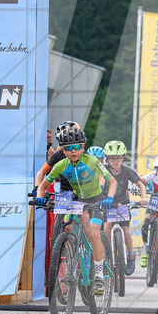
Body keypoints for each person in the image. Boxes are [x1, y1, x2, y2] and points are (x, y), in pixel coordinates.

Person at [33, 123, 117, 295]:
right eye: (68, 148)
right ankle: (69, 248)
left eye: (77, 147)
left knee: (93, 233)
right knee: (69, 227)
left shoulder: (92, 160)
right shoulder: (60, 165)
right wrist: (39, 194)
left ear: (83, 147)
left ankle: (99, 276)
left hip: (95, 200)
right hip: (76, 198)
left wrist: (108, 197)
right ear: (62, 150)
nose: (73, 151)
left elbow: (112, 181)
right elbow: (43, 184)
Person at [101, 140, 146, 274]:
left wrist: (143, 198)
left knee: (126, 230)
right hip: (108, 204)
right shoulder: (103, 170)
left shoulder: (127, 170)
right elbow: (100, 186)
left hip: (123, 204)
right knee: (107, 228)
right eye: (112, 158)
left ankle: (131, 255)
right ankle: (105, 255)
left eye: (119, 158)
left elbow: (140, 185)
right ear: (107, 158)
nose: (115, 161)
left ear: (123, 158)